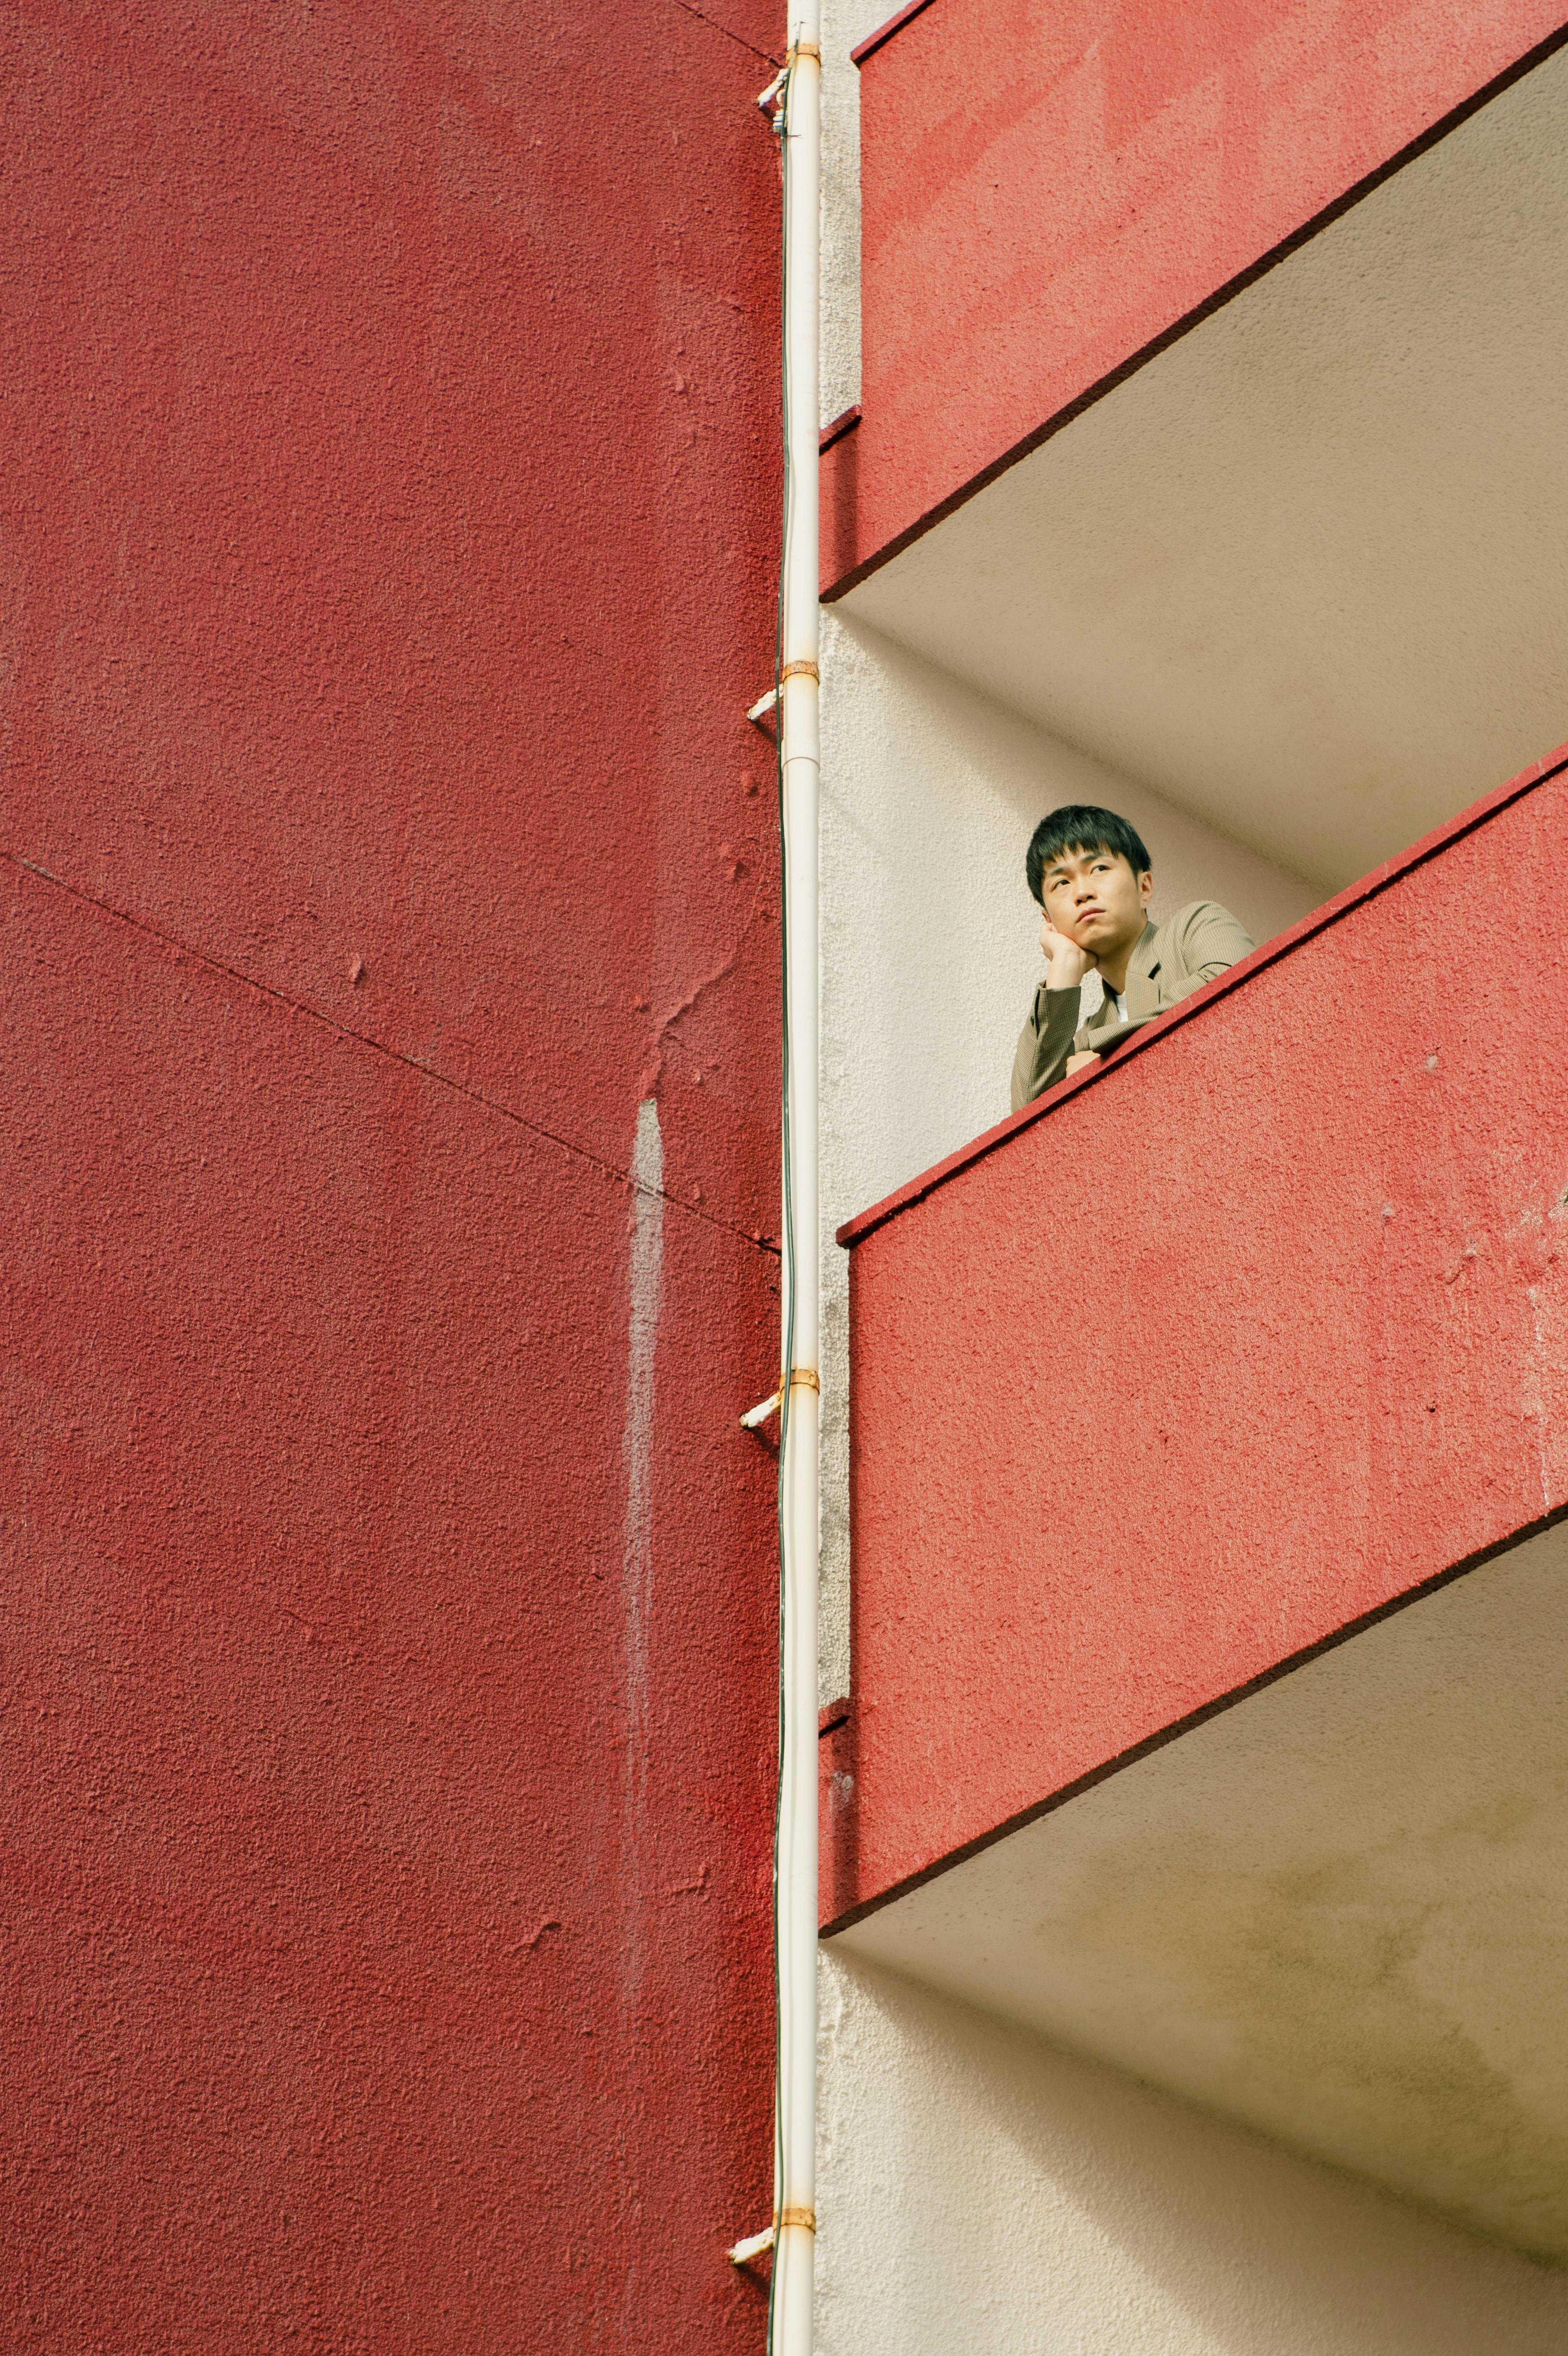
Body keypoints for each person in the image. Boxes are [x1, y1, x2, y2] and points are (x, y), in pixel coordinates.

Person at [1010, 806, 1255, 1112]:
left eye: (1099, 868)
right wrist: (1063, 970)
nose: (1082, 892)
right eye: (1061, 883)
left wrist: (1106, 1064)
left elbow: (1238, 993)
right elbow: (1028, 1114)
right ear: (1049, 921)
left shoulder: (1196, 926)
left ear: (1144, 888)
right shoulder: (1087, 1039)